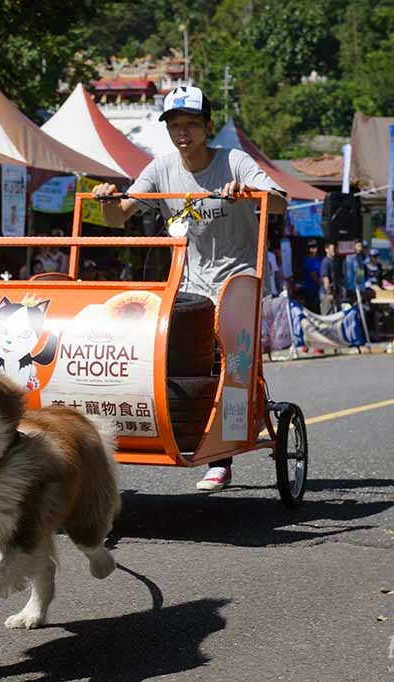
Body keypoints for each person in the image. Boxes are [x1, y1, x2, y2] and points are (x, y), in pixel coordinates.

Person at [92, 84, 287, 493]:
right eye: (175, 125)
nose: (184, 133)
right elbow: (118, 218)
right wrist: (107, 199)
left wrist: (247, 190)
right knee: (163, 352)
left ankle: (221, 458)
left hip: (238, 279)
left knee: (222, 360)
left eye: (192, 125)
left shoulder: (233, 160)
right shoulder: (160, 168)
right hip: (189, 285)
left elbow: (280, 201)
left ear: (207, 127)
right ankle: (170, 428)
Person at [319, 242, 339, 315]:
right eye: (332, 249)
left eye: (334, 249)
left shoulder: (334, 262)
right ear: (326, 250)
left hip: (334, 293)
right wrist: (328, 293)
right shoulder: (325, 262)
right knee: (327, 316)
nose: (334, 251)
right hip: (326, 294)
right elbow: (325, 278)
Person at [301, 241, 322, 312]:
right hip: (310, 289)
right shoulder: (307, 260)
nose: (314, 249)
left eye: (315, 247)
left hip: (317, 288)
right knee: (313, 309)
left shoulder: (318, 258)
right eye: (312, 247)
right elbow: (313, 275)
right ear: (308, 249)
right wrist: (321, 285)